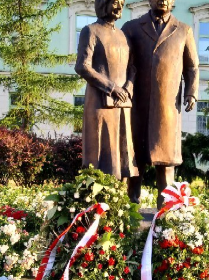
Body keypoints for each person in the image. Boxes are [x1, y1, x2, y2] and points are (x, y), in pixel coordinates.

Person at [122, 0, 199, 208]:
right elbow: (120, 61)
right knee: (135, 158)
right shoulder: (131, 28)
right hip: (136, 104)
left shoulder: (184, 30)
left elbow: (192, 67)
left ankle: (165, 211)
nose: (163, 0)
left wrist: (191, 93)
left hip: (167, 107)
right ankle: (130, 206)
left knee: (165, 162)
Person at [75, 0, 138, 180]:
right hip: (99, 101)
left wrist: (127, 88)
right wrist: (111, 87)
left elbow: (132, 68)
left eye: (122, 3)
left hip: (122, 102)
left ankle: (119, 199)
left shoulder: (123, 36)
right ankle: (98, 197)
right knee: (101, 152)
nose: (119, 8)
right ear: (103, 4)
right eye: (115, 3)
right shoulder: (91, 31)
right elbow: (82, 66)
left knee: (122, 152)